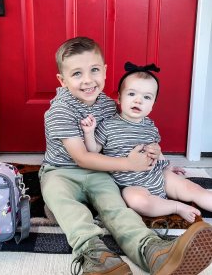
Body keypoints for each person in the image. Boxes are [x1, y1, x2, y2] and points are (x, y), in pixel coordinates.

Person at [39, 36, 212, 275]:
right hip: (61, 171)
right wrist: (129, 164)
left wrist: (154, 155)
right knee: (64, 203)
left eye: (95, 70)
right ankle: (96, 255)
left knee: (117, 208)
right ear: (62, 79)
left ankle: (153, 251)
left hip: (101, 171)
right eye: (77, 74)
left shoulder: (108, 105)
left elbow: (125, 136)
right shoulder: (60, 110)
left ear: (105, 71)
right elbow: (81, 158)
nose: (88, 80)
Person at [81, 62, 212, 224]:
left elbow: (157, 150)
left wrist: (166, 165)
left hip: (156, 175)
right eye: (131, 94)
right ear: (119, 98)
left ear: (152, 105)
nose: (138, 100)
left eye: (147, 97)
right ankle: (177, 207)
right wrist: (89, 133)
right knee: (138, 202)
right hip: (129, 183)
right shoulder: (108, 125)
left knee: (192, 188)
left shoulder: (150, 126)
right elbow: (93, 151)